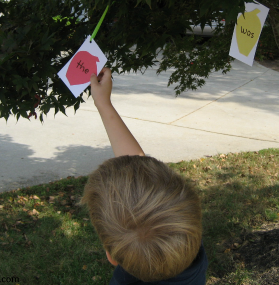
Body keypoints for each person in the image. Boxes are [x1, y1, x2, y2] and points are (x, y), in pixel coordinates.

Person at [80, 68, 208, 285]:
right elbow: (136, 162)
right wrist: (103, 103)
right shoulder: (188, 256)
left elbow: (137, 163)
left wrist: (103, 103)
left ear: (110, 257)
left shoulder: (183, 239)